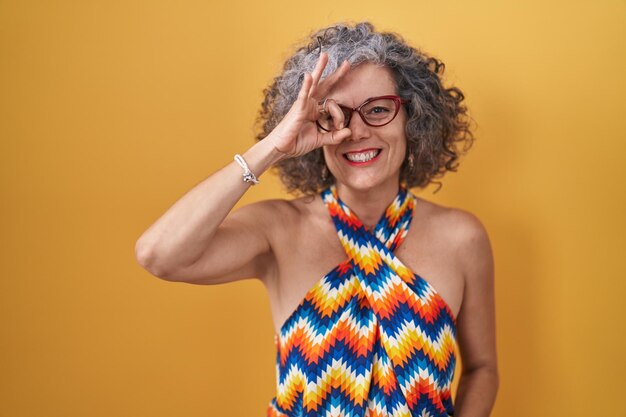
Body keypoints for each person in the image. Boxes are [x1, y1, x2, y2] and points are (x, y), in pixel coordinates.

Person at [135, 21, 498, 417]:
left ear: (411, 119)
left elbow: (482, 369)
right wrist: (273, 146)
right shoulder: (279, 230)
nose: (356, 131)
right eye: (334, 115)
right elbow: (159, 254)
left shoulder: (462, 237)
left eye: (377, 110)